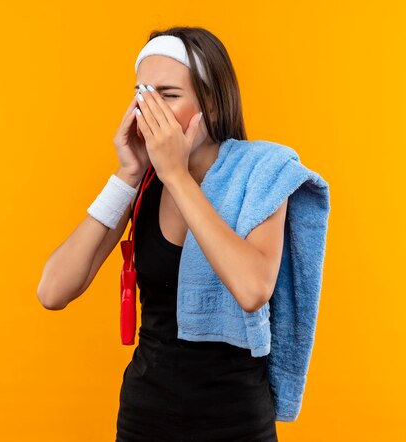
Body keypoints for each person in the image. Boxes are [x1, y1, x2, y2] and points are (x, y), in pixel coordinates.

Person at [37, 26, 287, 441]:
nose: (147, 109)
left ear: (211, 100)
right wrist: (128, 173)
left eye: (168, 95)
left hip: (236, 423)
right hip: (145, 418)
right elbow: (52, 290)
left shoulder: (265, 172)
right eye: (142, 93)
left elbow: (252, 288)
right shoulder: (143, 182)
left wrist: (176, 174)